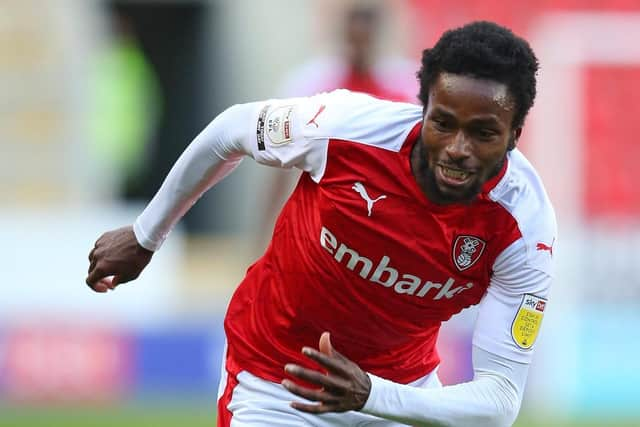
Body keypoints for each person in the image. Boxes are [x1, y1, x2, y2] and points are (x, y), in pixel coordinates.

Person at [86, 21, 556, 427]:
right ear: (424, 109)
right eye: (444, 123)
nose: (457, 147)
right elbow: (232, 130)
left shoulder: (525, 226)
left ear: (515, 134)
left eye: (483, 133)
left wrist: (374, 395)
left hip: (395, 398)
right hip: (275, 381)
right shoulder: (346, 127)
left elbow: (499, 400)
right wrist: (146, 235)